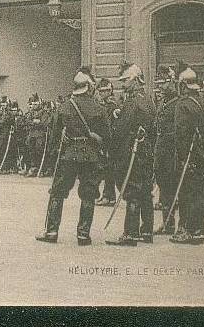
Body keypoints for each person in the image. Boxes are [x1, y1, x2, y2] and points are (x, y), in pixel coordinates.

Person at [36, 70, 108, 246]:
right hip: (90, 155)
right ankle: (83, 235)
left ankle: (52, 231)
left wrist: (54, 155)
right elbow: (107, 134)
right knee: (89, 194)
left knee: (57, 192)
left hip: (69, 155)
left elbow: (53, 133)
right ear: (89, 88)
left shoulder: (65, 107)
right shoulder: (98, 108)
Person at [105, 63, 157, 246]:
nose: (123, 84)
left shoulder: (132, 102)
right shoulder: (148, 99)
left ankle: (130, 233)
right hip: (146, 152)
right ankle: (147, 231)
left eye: (126, 80)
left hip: (132, 152)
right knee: (145, 191)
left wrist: (116, 120)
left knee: (132, 191)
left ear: (136, 80)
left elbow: (120, 130)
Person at [170, 67, 204, 245]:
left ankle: (186, 231)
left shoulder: (183, 105)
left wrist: (183, 158)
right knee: (201, 194)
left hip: (190, 156)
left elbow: (180, 134)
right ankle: (198, 231)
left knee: (186, 194)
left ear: (183, 85)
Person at [153, 66, 180, 235]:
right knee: (164, 186)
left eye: (163, 83)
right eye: (158, 83)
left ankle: (180, 224)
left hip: (173, 151)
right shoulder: (163, 102)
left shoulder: (178, 103)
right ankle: (168, 223)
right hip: (162, 149)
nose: (160, 87)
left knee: (175, 186)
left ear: (172, 82)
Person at [96, 78, 120, 207]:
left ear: (110, 91)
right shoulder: (104, 105)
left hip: (110, 142)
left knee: (108, 169)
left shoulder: (113, 107)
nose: (101, 94)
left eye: (104, 91)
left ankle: (108, 196)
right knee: (107, 169)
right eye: (100, 91)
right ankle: (109, 196)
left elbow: (114, 125)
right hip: (104, 141)